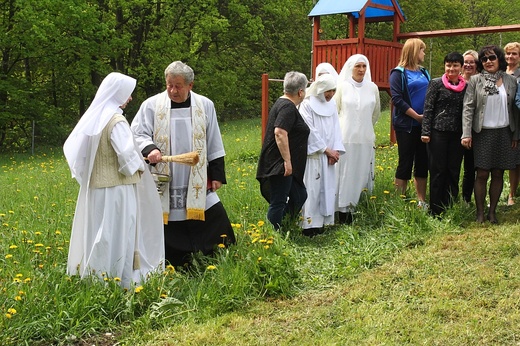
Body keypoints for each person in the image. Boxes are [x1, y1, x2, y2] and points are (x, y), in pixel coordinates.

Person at [63, 72, 164, 288]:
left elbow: (82, 158)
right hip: (118, 189)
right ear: (118, 95)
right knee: (117, 233)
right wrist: (141, 163)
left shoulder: (97, 119)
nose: (129, 99)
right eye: (127, 95)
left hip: (97, 189)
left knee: (100, 233)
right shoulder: (117, 121)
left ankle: (95, 279)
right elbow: (127, 160)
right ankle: (117, 280)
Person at [131, 61, 235, 267]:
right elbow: (138, 132)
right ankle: (175, 260)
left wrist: (216, 174)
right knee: (166, 215)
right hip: (164, 173)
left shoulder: (205, 105)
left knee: (211, 212)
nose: (172, 90)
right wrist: (150, 148)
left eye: (178, 85)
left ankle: (213, 252)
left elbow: (213, 140)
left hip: (194, 174)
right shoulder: (151, 105)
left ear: (191, 85)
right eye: (169, 84)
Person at [461, 45, 519, 224]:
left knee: (498, 173)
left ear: (499, 59)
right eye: (484, 59)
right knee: (482, 174)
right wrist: (466, 133)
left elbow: (515, 110)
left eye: (492, 58)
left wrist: (516, 134)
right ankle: (480, 213)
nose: (488, 62)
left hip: (504, 133)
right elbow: (468, 107)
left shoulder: (510, 80)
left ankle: (492, 212)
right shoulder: (475, 81)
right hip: (482, 133)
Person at [256, 71, 310, 231]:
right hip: (280, 165)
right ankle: (273, 235)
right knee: (279, 201)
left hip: (282, 164)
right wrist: (287, 161)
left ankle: (284, 226)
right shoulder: (287, 107)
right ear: (300, 92)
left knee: (299, 195)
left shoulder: (282, 104)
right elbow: (279, 132)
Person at [335, 54, 381, 223]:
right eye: (358, 66)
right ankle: (342, 210)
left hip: (365, 138)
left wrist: (365, 127)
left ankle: (358, 208)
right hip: (345, 138)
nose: (361, 70)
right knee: (345, 175)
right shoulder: (342, 87)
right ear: (351, 68)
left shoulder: (372, 88)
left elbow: (375, 113)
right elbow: (336, 110)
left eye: (364, 66)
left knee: (361, 174)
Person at [421, 52, 467, 216]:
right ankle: (435, 209)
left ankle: (450, 206)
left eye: (455, 65)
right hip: (437, 133)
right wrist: (425, 131)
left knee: (453, 170)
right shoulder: (435, 84)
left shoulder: (466, 86)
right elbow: (428, 108)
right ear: (444, 66)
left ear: (461, 67)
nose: (452, 68)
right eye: (449, 65)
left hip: (457, 134)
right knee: (437, 170)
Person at [299, 73, 344, 236]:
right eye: (328, 91)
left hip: (329, 157)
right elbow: (309, 130)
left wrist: (336, 150)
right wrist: (326, 149)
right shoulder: (307, 104)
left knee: (327, 188)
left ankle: (324, 222)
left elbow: (336, 129)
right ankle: (309, 225)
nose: (331, 94)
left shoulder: (331, 106)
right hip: (314, 156)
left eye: (333, 91)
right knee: (313, 189)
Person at [390, 38, 431, 209]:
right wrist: (416, 116)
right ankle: (400, 201)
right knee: (405, 161)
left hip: (424, 125)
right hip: (406, 125)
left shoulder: (424, 72)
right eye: (422, 50)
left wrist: (426, 118)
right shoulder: (398, 73)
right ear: (414, 51)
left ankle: (421, 200)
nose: (424, 53)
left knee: (423, 161)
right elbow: (397, 99)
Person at [460, 50, 479, 204]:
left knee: (470, 167)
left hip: (475, 130)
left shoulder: (481, 81)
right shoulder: (455, 81)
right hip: (454, 130)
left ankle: (466, 198)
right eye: (465, 62)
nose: (468, 65)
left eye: (471, 62)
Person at [504, 42, 520, 205]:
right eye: (508, 53)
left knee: (516, 160)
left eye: (514, 53)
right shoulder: (500, 74)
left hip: (517, 121)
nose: (510, 57)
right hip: (503, 121)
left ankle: (512, 194)